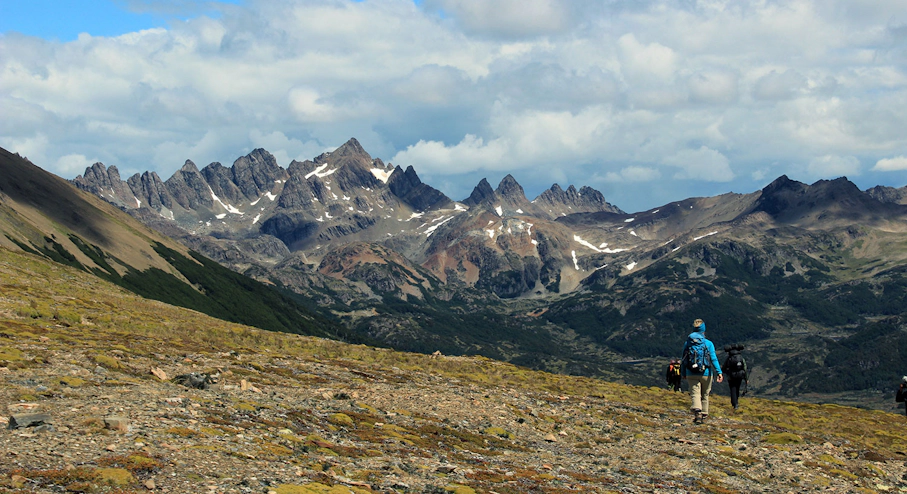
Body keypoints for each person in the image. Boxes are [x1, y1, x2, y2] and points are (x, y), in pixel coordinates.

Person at [681, 318, 723, 424]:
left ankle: (697, 412)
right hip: (706, 373)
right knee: (705, 394)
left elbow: (683, 359)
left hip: (691, 372)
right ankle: (704, 414)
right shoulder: (708, 343)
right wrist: (719, 372)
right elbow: (713, 358)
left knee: (695, 393)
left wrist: (683, 373)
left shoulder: (688, 343)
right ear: (704, 329)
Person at [721, 344, 748, 411]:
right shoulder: (740, 357)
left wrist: (723, 372)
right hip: (740, 376)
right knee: (737, 388)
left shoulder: (729, 358)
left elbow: (724, 368)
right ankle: (736, 403)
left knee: (733, 389)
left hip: (731, 376)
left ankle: (734, 404)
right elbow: (745, 368)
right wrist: (746, 378)